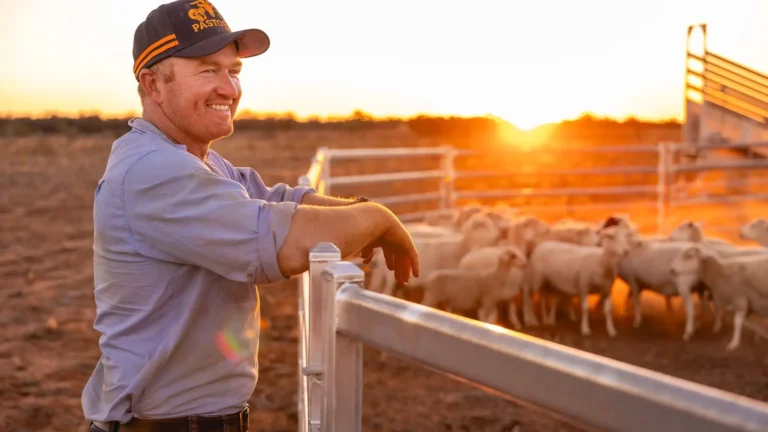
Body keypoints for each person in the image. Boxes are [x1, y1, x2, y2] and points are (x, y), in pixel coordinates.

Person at [82, 1, 419, 431]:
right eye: (208, 70)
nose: (229, 89)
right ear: (152, 83)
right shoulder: (154, 171)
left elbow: (281, 199)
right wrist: (378, 217)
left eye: (234, 72)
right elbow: (287, 243)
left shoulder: (197, 161)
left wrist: (358, 213)